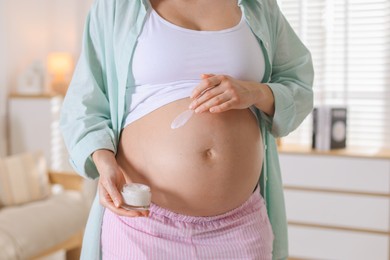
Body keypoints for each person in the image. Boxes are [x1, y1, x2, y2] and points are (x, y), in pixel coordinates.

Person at [60, 0, 314, 259]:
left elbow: (299, 85)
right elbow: (84, 106)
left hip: (239, 230)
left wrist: (255, 92)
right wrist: (105, 165)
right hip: (143, 225)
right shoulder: (117, 8)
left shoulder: (259, 7)